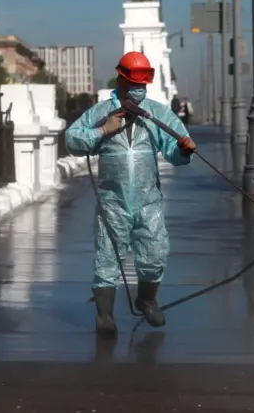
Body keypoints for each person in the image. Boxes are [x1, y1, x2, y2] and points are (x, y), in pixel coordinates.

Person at [65, 51, 197, 335]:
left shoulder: (158, 113)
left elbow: (175, 148)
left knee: (155, 252)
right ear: (120, 80)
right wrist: (102, 131)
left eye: (143, 85)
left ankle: (147, 300)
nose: (139, 90)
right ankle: (104, 314)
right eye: (134, 84)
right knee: (108, 255)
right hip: (113, 202)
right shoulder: (101, 113)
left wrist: (183, 151)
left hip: (148, 201)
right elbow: (72, 139)